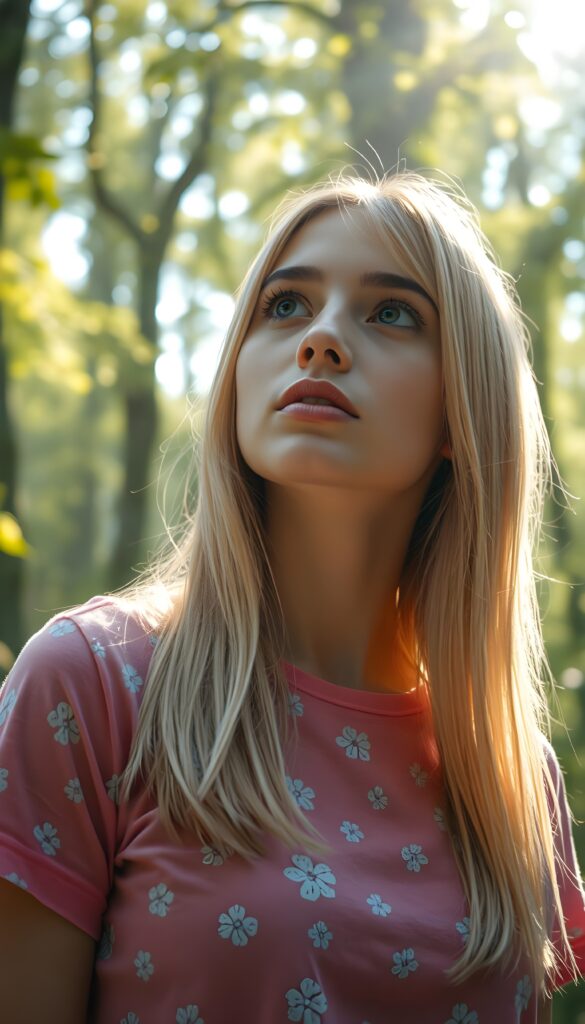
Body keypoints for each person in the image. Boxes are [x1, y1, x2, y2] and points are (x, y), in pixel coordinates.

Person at [0, 171, 584, 1024]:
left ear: (464, 412)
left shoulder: (508, 774)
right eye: (284, 305)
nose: (320, 340)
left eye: (392, 313)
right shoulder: (91, 686)